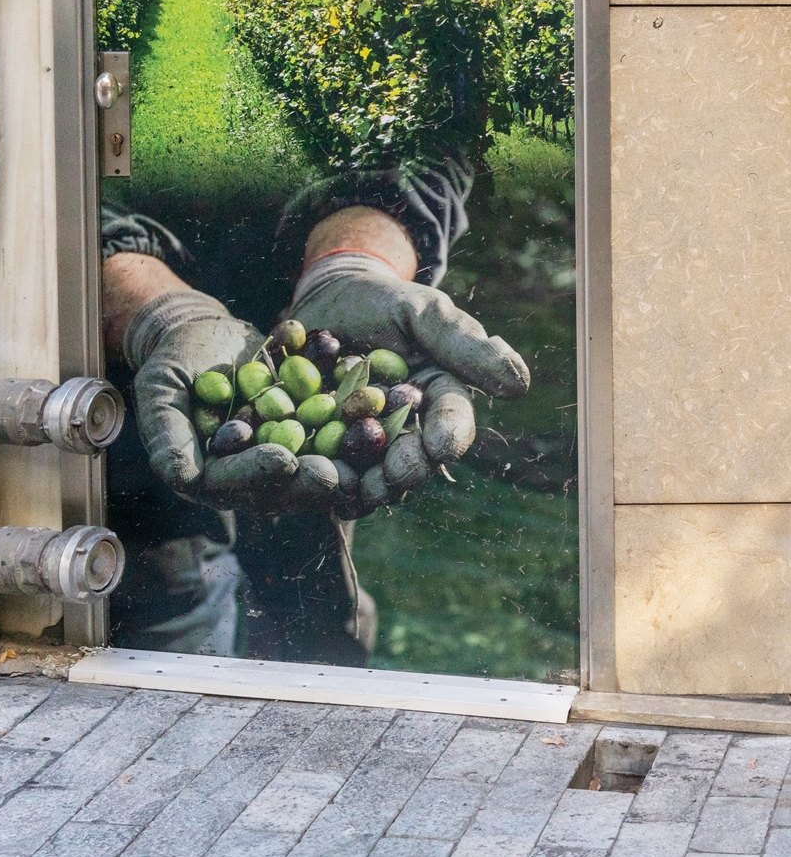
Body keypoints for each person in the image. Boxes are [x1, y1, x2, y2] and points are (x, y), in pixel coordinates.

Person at [101, 158, 530, 665]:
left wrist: (352, 261)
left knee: (319, 618)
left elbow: (423, 130)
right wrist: (156, 311)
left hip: (310, 361)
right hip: (141, 403)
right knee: (170, 612)